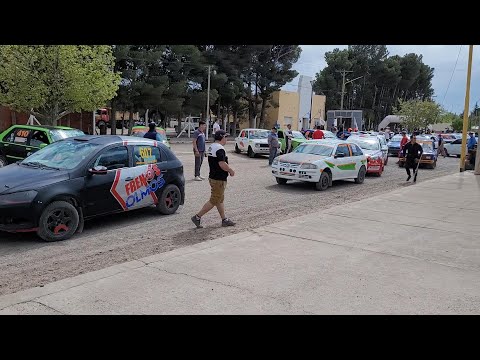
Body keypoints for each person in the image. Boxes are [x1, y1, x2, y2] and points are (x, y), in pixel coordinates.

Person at [191, 130, 235, 228]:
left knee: (219, 200)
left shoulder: (212, 146)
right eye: (226, 137)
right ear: (222, 137)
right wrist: (230, 170)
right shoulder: (220, 149)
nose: (227, 139)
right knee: (214, 200)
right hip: (218, 179)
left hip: (213, 177)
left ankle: (224, 219)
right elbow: (222, 164)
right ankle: (197, 217)